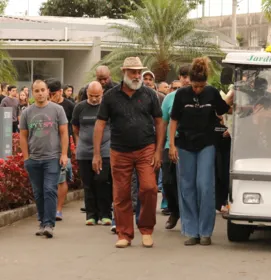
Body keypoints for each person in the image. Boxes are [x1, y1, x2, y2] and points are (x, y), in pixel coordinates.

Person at [93, 57, 164, 248]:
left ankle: (147, 229)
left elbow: (159, 122)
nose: (137, 75)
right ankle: (124, 234)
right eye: (133, 71)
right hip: (119, 151)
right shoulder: (110, 96)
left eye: (139, 71)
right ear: (124, 72)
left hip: (146, 149)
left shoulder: (149, 94)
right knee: (121, 194)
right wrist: (97, 153)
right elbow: (100, 124)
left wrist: (158, 151)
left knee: (149, 188)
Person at [169, 57, 234, 246]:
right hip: (184, 145)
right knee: (187, 187)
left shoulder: (212, 93)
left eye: (201, 86)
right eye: (195, 86)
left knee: (205, 186)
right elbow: (173, 120)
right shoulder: (181, 94)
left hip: (207, 144)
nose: (198, 89)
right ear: (189, 80)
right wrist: (172, 145)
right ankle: (191, 231)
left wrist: (236, 97)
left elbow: (225, 108)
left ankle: (206, 232)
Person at [19, 80, 69, 238]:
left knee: (49, 190)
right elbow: (23, 136)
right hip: (33, 159)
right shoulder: (27, 112)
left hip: (52, 158)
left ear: (48, 91)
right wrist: (26, 157)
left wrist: (64, 154)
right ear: (32, 93)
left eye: (42, 90)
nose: (40, 93)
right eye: (36, 91)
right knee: (38, 192)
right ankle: (42, 222)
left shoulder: (57, 110)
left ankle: (49, 224)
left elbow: (64, 133)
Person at [73, 81, 113, 226]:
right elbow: (75, 128)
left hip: (104, 150)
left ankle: (105, 214)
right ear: (86, 94)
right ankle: (91, 215)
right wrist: (79, 144)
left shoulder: (107, 107)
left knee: (102, 181)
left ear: (102, 93)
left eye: (97, 96)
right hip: (84, 151)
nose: (94, 99)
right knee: (88, 183)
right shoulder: (80, 107)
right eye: (91, 95)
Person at [161, 65, 191, 230]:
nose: (186, 80)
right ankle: (174, 211)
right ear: (179, 77)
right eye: (183, 76)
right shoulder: (169, 98)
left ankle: (187, 215)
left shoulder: (197, 96)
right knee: (167, 181)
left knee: (186, 183)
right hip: (169, 144)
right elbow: (163, 122)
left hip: (188, 145)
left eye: (189, 76)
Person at [47, 79, 75, 221]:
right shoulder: (43, 106)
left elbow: (75, 127)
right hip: (46, 147)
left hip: (63, 148)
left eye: (53, 94)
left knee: (61, 179)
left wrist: (74, 146)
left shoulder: (69, 106)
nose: (51, 97)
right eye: (49, 93)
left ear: (60, 92)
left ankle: (58, 209)